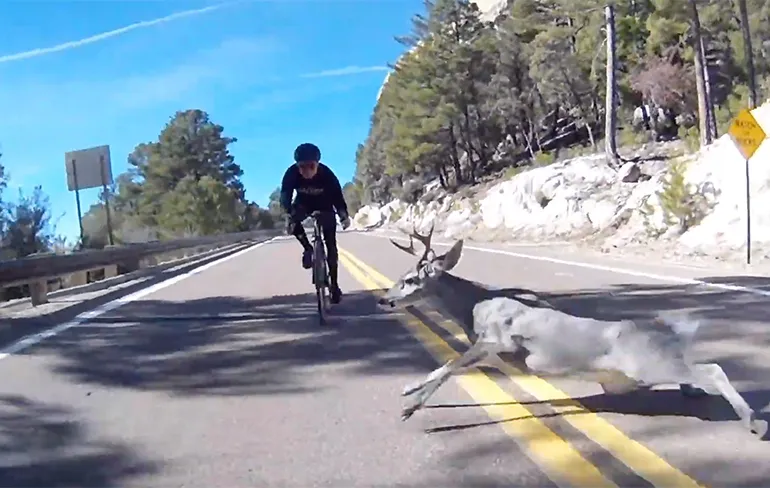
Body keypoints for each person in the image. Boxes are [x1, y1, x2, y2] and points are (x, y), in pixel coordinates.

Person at [279, 142, 351, 304]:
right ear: (297, 166)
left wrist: (343, 216)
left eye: (311, 166)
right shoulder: (291, 174)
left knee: (331, 245)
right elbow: (285, 196)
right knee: (293, 221)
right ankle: (308, 248)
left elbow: (338, 198)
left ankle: (334, 285)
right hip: (303, 204)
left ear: (317, 164)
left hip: (325, 205)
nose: (307, 171)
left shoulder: (327, 174)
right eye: (302, 167)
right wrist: (288, 214)